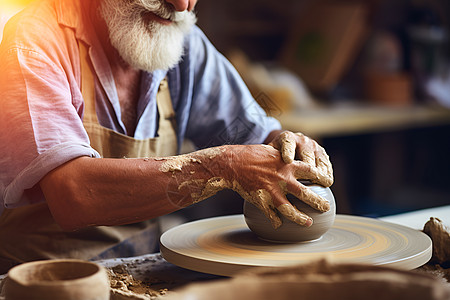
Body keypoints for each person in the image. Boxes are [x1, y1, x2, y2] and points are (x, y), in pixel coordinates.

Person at [0, 0, 333, 274]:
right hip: (44, 276)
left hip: (142, 266)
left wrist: (288, 147)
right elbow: (72, 194)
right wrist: (220, 167)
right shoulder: (33, 39)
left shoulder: (181, 39)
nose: (182, 5)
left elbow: (255, 133)